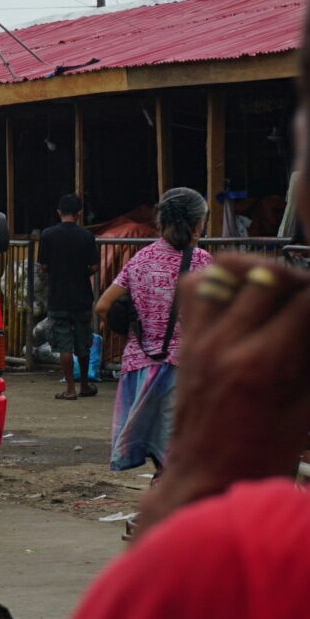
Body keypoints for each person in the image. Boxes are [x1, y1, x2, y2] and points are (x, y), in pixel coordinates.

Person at [0, 0, 310, 619]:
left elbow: (109, 297)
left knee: (159, 450)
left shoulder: (254, 585)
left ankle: (159, 488)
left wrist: (187, 518)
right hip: (187, 364)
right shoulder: (210, 264)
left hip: (152, 367)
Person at [89, 187, 211, 473]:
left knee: (160, 449)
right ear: (196, 224)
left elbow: (102, 306)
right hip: (182, 368)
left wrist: (132, 335)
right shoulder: (203, 262)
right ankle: (170, 503)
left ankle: (161, 496)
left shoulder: (140, 258)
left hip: (137, 367)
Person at [38, 193, 100, 400]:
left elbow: (44, 265)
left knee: (64, 344)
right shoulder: (86, 236)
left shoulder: (48, 235)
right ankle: (84, 385)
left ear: (59, 212)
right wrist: (81, 274)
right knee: (82, 342)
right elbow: (94, 266)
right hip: (82, 296)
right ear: (80, 214)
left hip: (58, 296)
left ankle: (69, 389)